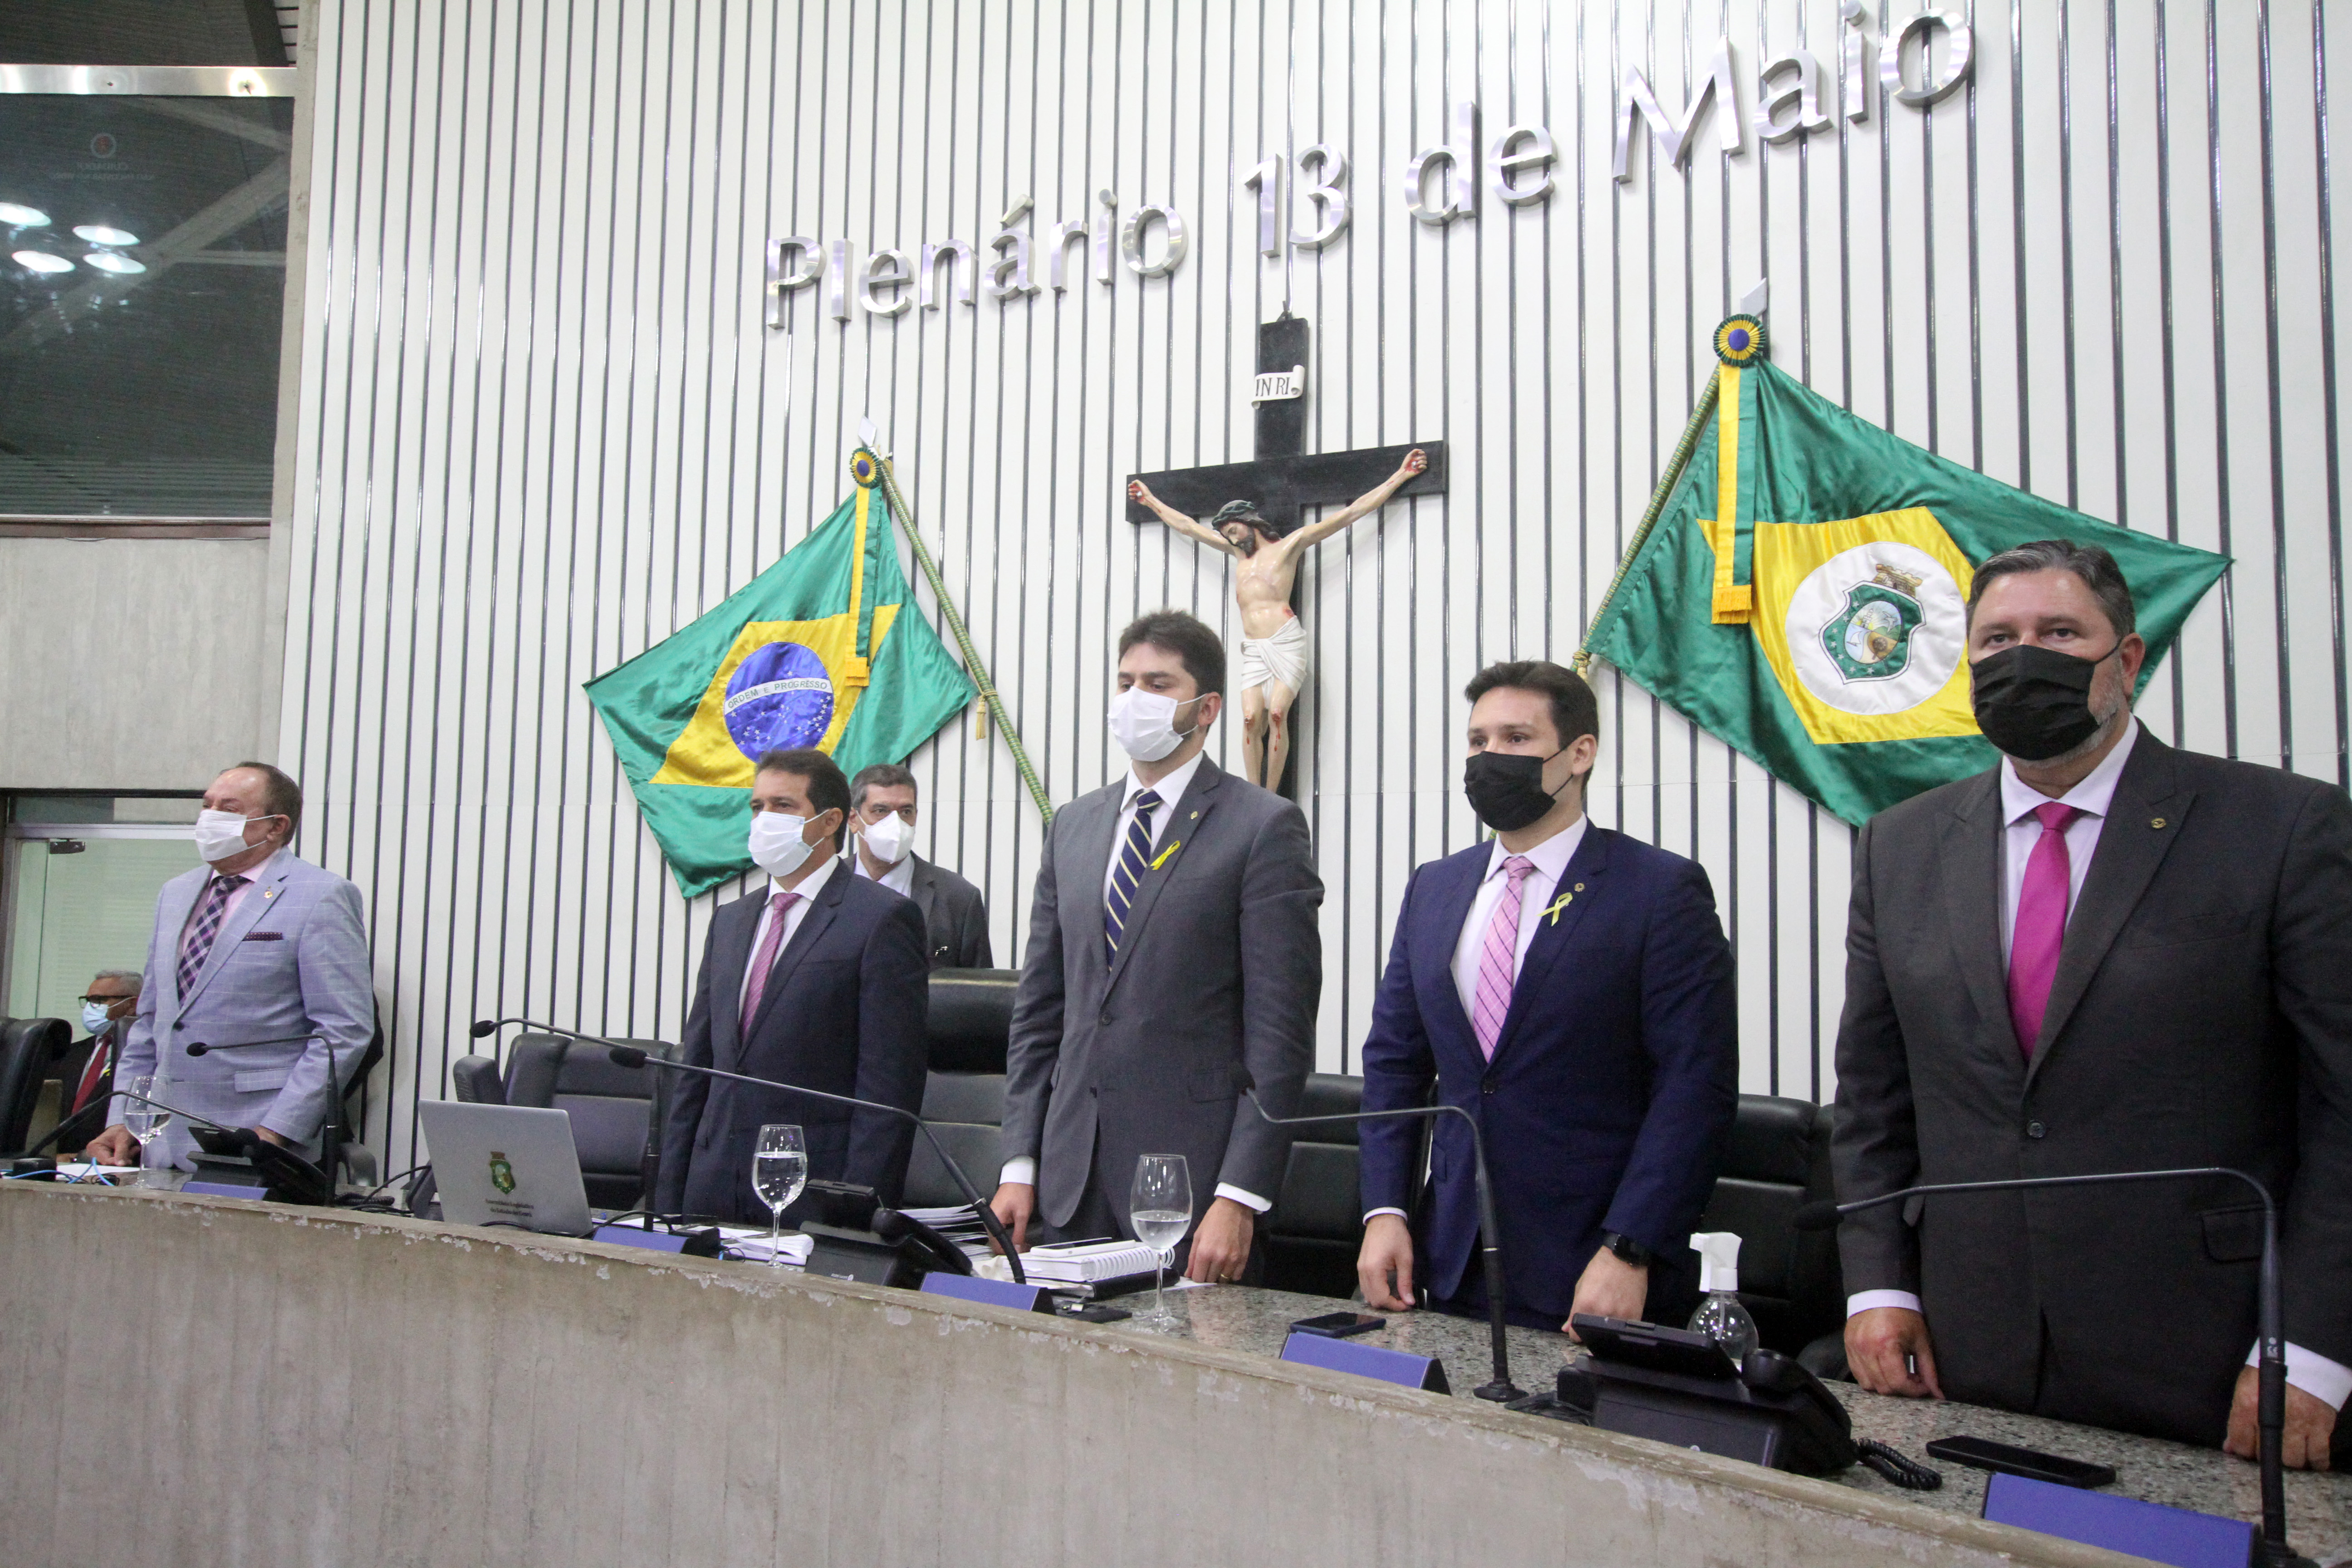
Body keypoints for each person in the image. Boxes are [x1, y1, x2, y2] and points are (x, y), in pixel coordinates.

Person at [1833, 539, 2352, 1469]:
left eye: (2059, 633)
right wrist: (1878, 1288)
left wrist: (2308, 1346)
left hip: (2211, 1353)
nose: (2023, 658)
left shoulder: (2281, 828)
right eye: (1997, 640)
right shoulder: (1897, 845)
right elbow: (1874, 1098)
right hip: (1966, 1344)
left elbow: (2343, 1107)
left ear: (2127, 659)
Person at [1356, 661, 1738, 1333]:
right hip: (1447, 1257)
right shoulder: (1434, 888)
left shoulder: (1659, 891)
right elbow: (1395, 1062)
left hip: (1595, 1264)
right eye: (1478, 741)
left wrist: (1630, 1246)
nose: (1490, 758)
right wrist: (1385, 1210)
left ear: (1580, 753)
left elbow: (1694, 1085)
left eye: (1516, 739)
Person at [991, 610, 1322, 1282]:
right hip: (1068, 1180)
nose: (1135, 698)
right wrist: (1018, 1164)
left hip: (1194, 1190)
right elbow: (1039, 1012)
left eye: (1158, 683)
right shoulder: (1073, 826)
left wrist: (1241, 1194)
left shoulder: (1262, 827)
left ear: (1208, 708)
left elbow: (1280, 1031)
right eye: (1126, 682)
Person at [656, 747, 930, 1225]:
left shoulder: (882, 918)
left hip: (813, 1191)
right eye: (757, 807)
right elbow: (697, 1068)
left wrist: (855, 1212)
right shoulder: (730, 921)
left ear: (830, 822)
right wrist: (668, 1201)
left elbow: (888, 1087)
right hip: (711, 1184)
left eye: (783, 806)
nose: (765, 819)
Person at [88, 764, 374, 1172]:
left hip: (257, 1139)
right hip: (160, 1144)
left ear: (275, 826)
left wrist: (277, 1131)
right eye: (207, 806)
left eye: (228, 808)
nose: (209, 817)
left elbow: (344, 1030)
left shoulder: (321, 895)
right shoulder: (175, 893)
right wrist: (124, 1119)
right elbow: (152, 1021)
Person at [1129, 448, 1426, 791]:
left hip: (1284, 640)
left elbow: (1351, 513)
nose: (1232, 538)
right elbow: (1188, 527)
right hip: (1255, 648)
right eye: (1227, 534)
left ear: (1250, 522)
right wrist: (1150, 501)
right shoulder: (1237, 554)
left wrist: (1401, 475)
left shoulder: (1289, 547)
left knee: (1276, 714)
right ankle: (1254, 791)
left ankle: (1270, 794)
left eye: (1234, 529)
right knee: (1249, 718)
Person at [844, 762, 993, 969]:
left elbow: (977, 985)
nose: (895, 823)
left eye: (906, 812)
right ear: (853, 820)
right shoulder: (826, 887)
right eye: (881, 811)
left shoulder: (959, 898)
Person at [48, 969, 140, 1154]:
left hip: (112, 1160)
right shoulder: (67, 1054)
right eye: (88, 1000)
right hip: (60, 1163)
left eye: (99, 1000)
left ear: (132, 1004)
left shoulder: (143, 1059)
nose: (91, 1007)